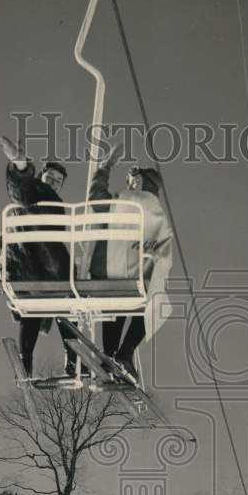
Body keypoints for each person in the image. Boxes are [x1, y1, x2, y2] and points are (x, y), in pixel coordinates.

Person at [87, 145, 173, 381]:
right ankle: (124, 352)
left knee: (118, 300)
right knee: (154, 300)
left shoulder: (122, 200)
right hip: (134, 274)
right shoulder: (155, 208)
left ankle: (112, 354)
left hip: (106, 270)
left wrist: (104, 169)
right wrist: (155, 263)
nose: (130, 185)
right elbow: (163, 248)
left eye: (133, 180)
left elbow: (96, 198)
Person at [0, 136, 78, 377]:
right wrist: (20, 166)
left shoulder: (54, 202)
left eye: (58, 181)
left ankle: (28, 362)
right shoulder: (33, 191)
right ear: (41, 177)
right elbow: (19, 190)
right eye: (50, 177)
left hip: (34, 271)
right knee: (62, 300)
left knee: (34, 307)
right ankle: (72, 356)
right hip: (38, 267)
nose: (53, 182)